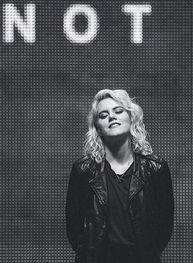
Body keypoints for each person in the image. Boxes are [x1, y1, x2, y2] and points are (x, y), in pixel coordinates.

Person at [66, 89, 174, 263]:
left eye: (118, 111)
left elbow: (164, 227)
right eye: (103, 115)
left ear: (131, 118)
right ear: (97, 128)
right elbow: (74, 226)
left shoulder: (156, 169)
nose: (111, 117)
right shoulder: (83, 170)